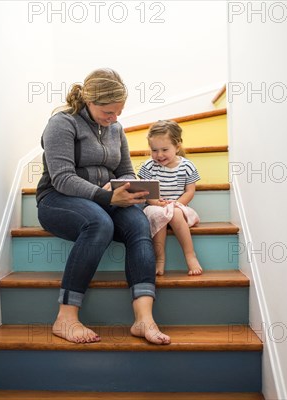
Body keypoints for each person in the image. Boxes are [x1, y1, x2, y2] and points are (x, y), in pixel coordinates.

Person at [36, 68, 170, 345]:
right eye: (108, 112)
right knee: (99, 223)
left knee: (138, 223)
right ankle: (66, 317)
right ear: (90, 101)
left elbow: (126, 170)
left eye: (118, 112)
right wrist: (106, 197)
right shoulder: (62, 123)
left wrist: (131, 188)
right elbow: (62, 178)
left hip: (104, 198)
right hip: (58, 200)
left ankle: (144, 319)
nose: (114, 119)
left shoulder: (116, 128)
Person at [137, 120, 203, 276]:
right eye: (154, 150)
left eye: (165, 149)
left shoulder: (187, 166)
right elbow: (145, 191)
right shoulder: (149, 166)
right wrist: (155, 202)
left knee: (176, 212)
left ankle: (190, 255)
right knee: (160, 214)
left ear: (177, 146)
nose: (159, 155)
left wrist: (177, 204)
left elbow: (190, 191)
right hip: (155, 207)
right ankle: (159, 258)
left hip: (177, 206)